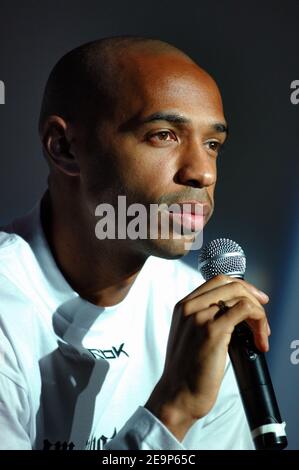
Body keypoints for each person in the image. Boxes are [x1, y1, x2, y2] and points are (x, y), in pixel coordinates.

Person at [0, 36, 270, 450]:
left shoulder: (199, 312)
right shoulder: (7, 302)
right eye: (163, 135)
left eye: (212, 144)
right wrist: (173, 410)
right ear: (65, 148)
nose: (203, 173)